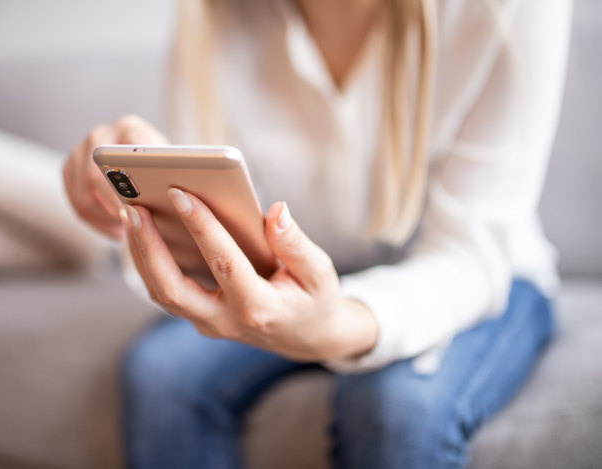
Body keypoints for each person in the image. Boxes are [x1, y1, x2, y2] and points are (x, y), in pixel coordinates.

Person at [63, 0, 571, 467]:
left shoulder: (506, 11)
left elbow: (468, 250)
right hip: (299, 276)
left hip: (485, 275)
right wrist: (140, 207)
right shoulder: (214, 15)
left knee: (396, 408)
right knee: (160, 375)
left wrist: (340, 326)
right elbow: (222, 219)